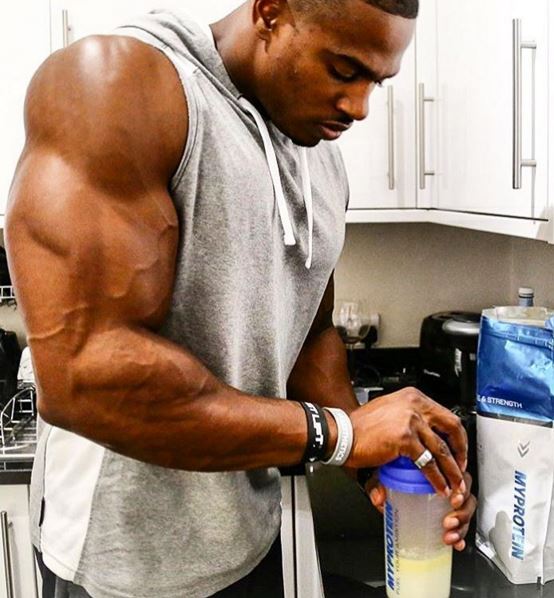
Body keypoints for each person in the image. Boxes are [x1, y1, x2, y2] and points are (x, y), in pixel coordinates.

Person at [5, 0, 477, 596]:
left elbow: (311, 335)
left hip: (249, 537)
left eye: (376, 83)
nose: (359, 107)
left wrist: (378, 462)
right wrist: (343, 434)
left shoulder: (320, 156)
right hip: (123, 563)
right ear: (270, 12)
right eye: (343, 70)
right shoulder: (117, 85)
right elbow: (84, 376)